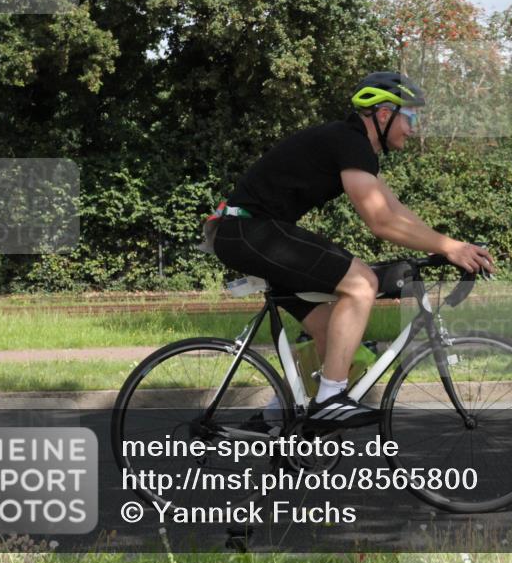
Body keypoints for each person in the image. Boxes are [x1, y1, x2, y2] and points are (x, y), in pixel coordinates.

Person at [211, 72, 495, 428]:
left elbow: (397, 213)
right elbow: (381, 222)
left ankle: (272, 419)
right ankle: (330, 398)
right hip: (248, 230)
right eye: (411, 117)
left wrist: (448, 247)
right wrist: (451, 248)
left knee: (336, 338)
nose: (413, 128)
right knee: (361, 283)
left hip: (253, 232)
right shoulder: (349, 140)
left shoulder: (355, 147)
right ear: (382, 113)